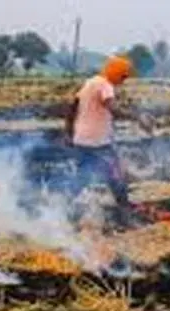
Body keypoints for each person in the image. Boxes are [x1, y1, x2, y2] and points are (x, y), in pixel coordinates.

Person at [63, 55, 155, 230]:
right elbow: (113, 108)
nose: (123, 81)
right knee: (116, 178)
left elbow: (72, 107)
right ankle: (125, 217)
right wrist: (138, 117)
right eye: (123, 77)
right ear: (115, 73)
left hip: (82, 140)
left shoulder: (90, 82)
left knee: (82, 177)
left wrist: (68, 132)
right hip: (98, 142)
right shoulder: (105, 85)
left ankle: (60, 207)